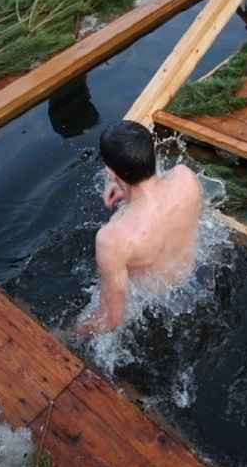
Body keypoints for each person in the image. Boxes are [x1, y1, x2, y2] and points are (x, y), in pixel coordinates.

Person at [71, 120, 202, 336]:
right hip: (197, 277)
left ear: (111, 173)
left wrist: (68, 334)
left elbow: (111, 319)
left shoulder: (113, 239)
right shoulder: (185, 177)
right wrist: (126, 188)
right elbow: (156, 192)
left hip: (160, 309)